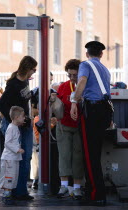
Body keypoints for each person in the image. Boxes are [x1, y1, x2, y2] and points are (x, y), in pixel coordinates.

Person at [70, 41, 112, 206]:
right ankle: (94, 190)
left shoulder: (85, 65)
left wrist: (74, 99)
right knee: (95, 153)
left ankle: (95, 194)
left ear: (87, 54)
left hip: (92, 111)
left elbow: (81, 82)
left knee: (89, 154)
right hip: (104, 111)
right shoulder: (105, 70)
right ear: (101, 54)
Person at [0, 55, 37, 200]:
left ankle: (19, 190)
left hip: (24, 124)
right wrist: (13, 121)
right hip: (16, 125)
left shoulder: (24, 81)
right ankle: (17, 190)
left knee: (25, 157)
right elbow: (2, 105)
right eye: (33, 69)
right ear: (27, 69)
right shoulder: (13, 84)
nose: (34, 72)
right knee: (18, 158)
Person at [53, 59, 84, 199]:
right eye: (69, 75)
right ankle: (64, 185)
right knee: (64, 155)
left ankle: (77, 187)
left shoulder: (84, 86)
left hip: (79, 126)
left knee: (78, 157)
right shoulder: (63, 86)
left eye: (75, 75)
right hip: (64, 125)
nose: (72, 78)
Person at [0, 106, 25, 205]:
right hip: (9, 158)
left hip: (13, 158)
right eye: (22, 116)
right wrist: (17, 149)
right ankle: (6, 194)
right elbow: (7, 142)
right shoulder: (11, 128)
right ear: (16, 117)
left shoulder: (15, 127)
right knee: (9, 176)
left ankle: (8, 193)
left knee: (13, 176)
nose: (24, 118)